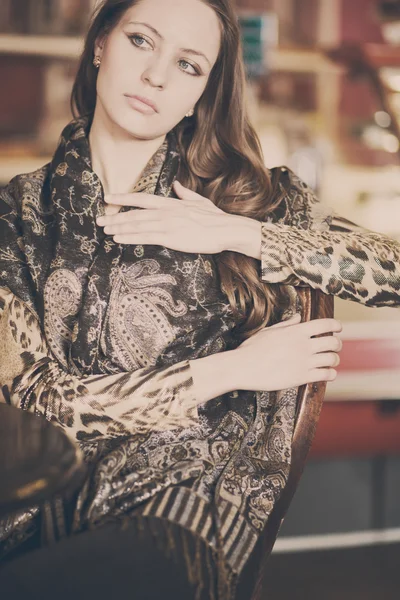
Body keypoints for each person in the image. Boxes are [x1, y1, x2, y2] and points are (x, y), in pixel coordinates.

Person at [0, 0, 399, 598]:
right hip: (46, 507)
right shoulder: (18, 214)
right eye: (141, 41)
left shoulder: (253, 198)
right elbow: (34, 408)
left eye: (189, 65)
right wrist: (229, 371)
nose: (157, 75)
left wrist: (241, 234)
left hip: (183, 510)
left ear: (203, 92)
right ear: (100, 44)